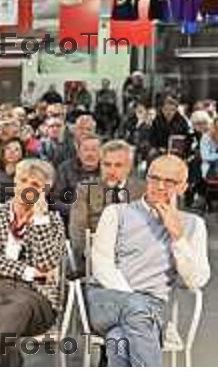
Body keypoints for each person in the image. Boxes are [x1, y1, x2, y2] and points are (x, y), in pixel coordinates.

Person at [85, 155, 210, 367]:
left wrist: (177, 237)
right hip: (107, 298)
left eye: (170, 182)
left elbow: (196, 280)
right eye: (154, 178)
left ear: (183, 187)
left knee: (118, 341)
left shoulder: (193, 225)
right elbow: (102, 266)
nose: (160, 186)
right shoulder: (117, 212)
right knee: (137, 309)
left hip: (152, 308)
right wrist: (136, 304)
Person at [0, 159, 66, 367]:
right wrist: (28, 271)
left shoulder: (53, 221)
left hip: (35, 296)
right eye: (23, 180)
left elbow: (46, 263)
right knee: (4, 334)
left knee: (16, 307)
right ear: (14, 182)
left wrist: (39, 219)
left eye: (36, 185)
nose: (27, 188)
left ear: (45, 191)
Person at [69, 139, 145, 276]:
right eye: (107, 164)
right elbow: (77, 230)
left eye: (118, 165)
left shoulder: (142, 190)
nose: (111, 170)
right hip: (99, 255)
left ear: (129, 166)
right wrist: (85, 258)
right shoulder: (85, 189)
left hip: (136, 256)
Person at [53, 134, 101, 221]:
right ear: (78, 153)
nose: (90, 154)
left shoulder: (109, 169)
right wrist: (79, 210)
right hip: (72, 218)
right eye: (85, 150)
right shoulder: (65, 169)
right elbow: (56, 201)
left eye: (94, 150)